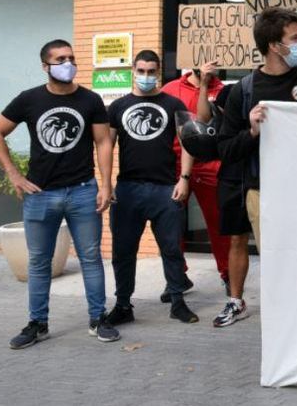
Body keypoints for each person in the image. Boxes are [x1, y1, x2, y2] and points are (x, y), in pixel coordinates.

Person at [0, 39, 120, 348]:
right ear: (45, 66)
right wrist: (13, 174)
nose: (68, 63)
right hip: (40, 194)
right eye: (61, 58)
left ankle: (98, 319)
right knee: (38, 262)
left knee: (91, 257)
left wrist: (106, 183)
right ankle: (37, 324)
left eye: (71, 58)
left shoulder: (89, 100)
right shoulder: (29, 99)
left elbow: (103, 142)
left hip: (82, 192)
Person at [217, 7, 297, 255]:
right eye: (295, 38)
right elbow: (225, 150)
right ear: (274, 45)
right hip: (264, 192)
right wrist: (251, 132)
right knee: (278, 265)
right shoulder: (244, 91)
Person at [105, 51, 198, 325]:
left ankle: (178, 301)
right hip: (127, 190)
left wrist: (185, 178)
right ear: (133, 70)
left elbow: (189, 141)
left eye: (151, 71)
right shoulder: (118, 106)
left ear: (159, 72)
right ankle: (123, 305)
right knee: (123, 251)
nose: (146, 76)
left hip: (165, 189)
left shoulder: (173, 103)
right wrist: (106, 183)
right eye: (141, 70)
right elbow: (106, 146)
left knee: (171, 248)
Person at [160, 59, 230, 292]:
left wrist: (207, 84)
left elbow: (206, 120)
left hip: (211, 165)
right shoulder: (170, 89)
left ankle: (228, 273)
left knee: (219, 224)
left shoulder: (223, 90)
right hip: (177, 166)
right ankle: (177, 277)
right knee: (171, 226)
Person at [207, 83, 254, 328]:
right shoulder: (227, 101)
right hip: (233, 180)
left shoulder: (260, 105)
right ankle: (236, 301)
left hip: (262, 177)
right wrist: (205, 83)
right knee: (237, 239)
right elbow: (204, 119)